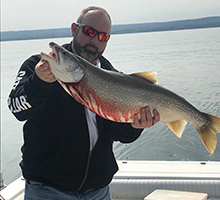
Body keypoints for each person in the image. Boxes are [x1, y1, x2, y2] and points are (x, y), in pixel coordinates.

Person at [8, 6, 160, 200]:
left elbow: (119, 134)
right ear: (74, 29)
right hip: (47, 190)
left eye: (103, 37)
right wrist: (38, 82)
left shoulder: (112, 77)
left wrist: (136, 126)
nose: (94, 40)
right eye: (89, 32)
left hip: (98, 190)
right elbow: (16, 108)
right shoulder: (39, 66)